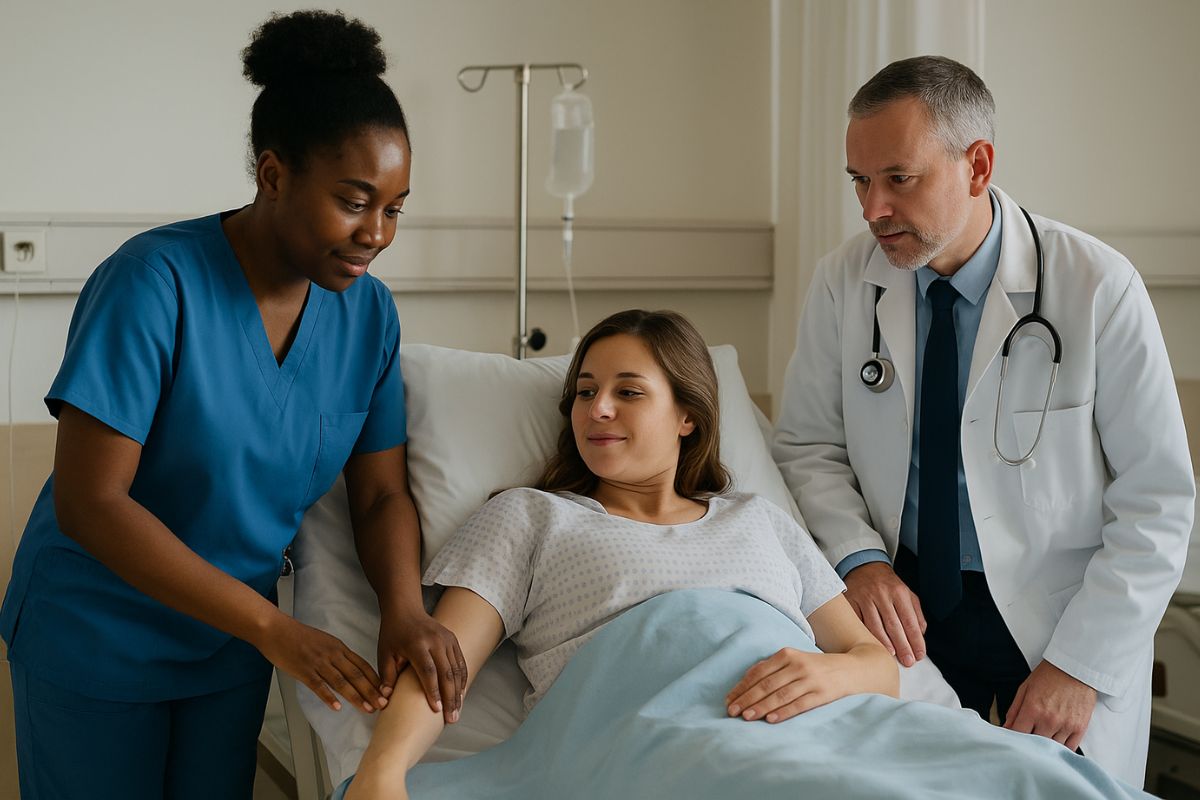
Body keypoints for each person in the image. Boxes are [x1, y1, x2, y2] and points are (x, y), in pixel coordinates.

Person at [0, 11, 465, 798]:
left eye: (394, 208)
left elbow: (381, 491)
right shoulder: (154, 283)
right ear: (274, 175)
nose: (376, 234)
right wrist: (277, 631)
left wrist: (403, 609)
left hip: (228, 653)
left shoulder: (369, 316)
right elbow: (92, 503)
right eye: (355, 201)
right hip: (99, 639)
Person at [772, 54, 1195, 786]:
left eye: (898, 178)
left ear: (977, 165)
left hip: (1053, 620)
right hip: (898, 608)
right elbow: (808, 446)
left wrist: (1079, 667)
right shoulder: (845, 282)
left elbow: (1157, 501)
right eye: (860, 182)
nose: (872, 208)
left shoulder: (1096, 286)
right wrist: (858, 559)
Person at [341, 309, 899, 799]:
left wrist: (833, 677)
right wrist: (382, 774)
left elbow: (875, 662)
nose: (597, 409)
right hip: (652, 749)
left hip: (817, 735)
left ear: (688, 416)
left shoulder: (758, 519)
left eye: (627, 392)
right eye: (585, 392)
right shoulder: (530, 517)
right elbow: (443, 665)